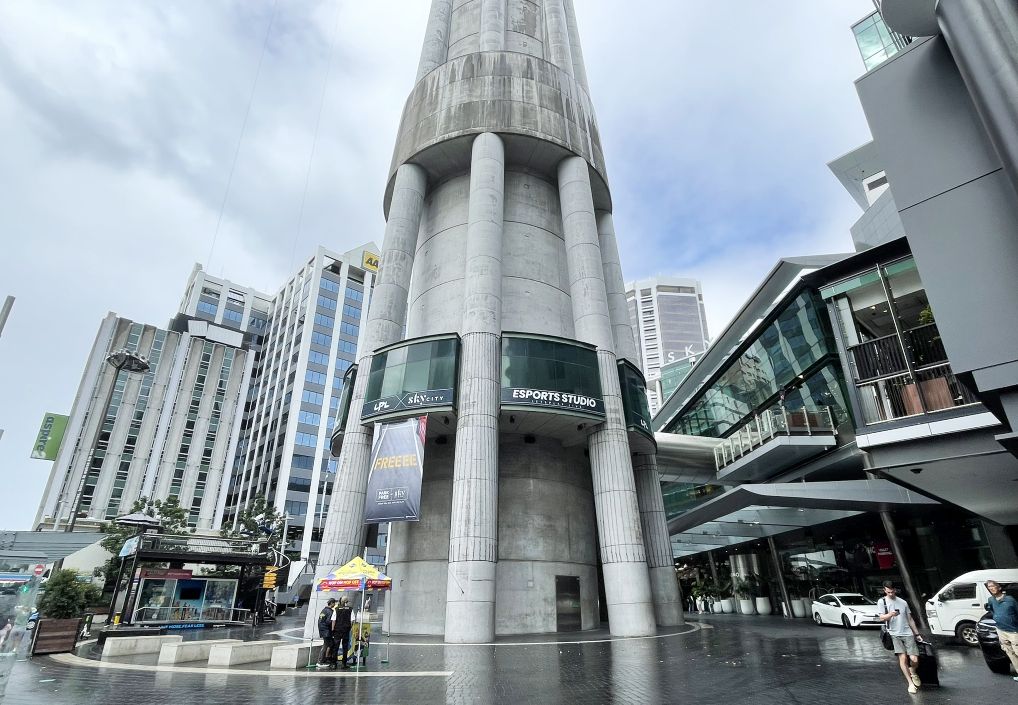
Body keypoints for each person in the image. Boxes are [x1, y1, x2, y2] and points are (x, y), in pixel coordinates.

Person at [877, 580, 925, 694]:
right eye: (888, 592)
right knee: (903, 658)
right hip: (894, 633)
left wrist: (917, 634)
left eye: (892, 591)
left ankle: (913, 671)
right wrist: (890, 614)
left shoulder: (903, 602)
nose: (891, 594)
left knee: (914, 659)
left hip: (907, 633)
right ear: (884, 590)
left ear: (895, 590)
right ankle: (910, 684)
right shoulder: (882, 602)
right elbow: (881, 618)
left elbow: (910, 619)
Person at [984, 580, 1018, 682]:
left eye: (993, 586)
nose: (991, 588)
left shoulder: (1010, 600)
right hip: (1001, 630)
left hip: (1013, 631)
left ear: (999, 587)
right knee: (1010, 653)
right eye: (989, 587)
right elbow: (992, 611)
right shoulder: (991, 600)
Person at [316, 598, 338, 670]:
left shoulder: (324, 610)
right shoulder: (330, 611)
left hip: (322, 629)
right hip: (326, 631)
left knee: (329, 644)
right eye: (334, 603)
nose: (335, 604)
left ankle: (325, 659)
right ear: (331, 603)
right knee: (327, 645)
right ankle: (320, 661)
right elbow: (329, 621)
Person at [335, 597, 353, 669]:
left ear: (341, 601)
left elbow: (333, 620)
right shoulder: (350, 609)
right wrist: (349, 627)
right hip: (346, 630)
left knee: (336, 646)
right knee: (345, 647)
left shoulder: (336, 609)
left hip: (337, 630)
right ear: (347, 601)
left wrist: (333, 629)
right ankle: (344, 663)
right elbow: (352, 620)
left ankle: (334, 663)